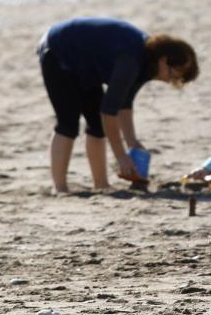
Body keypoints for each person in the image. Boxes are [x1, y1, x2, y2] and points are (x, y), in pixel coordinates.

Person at [38, 18, 199, 194]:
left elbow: (124, 103)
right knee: (68, 123)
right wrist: (121, 157)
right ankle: (60, 188)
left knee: (97, 126)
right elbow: (108, 112)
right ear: (164, 60)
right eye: (173, 75)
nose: (170, 81)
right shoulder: (132, 60)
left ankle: (101, 185)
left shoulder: (147, 64)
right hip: (58, 49)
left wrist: (132, 142)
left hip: (86, 63)